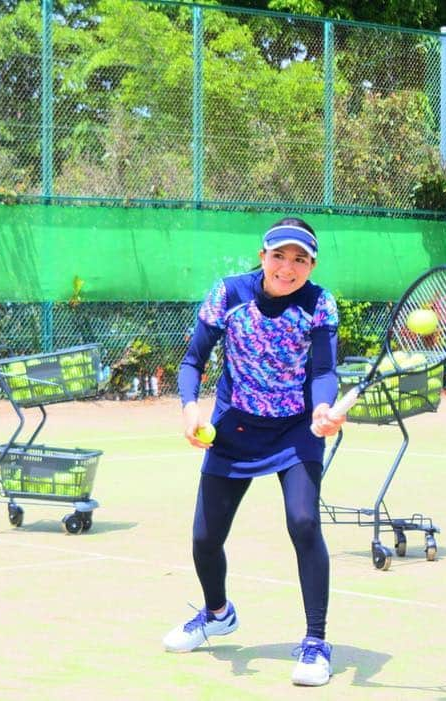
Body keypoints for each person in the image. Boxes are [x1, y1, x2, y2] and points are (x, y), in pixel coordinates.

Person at [162, 218, 344, 687]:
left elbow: (323, 370)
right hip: (234, 427)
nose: (288, 267)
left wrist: (324, 406)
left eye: (300, 259)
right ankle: (218, 614)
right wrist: (190, 409)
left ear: (312, 264)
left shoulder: (319, 303)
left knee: (303, 522)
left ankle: (316, 642)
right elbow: (192, 360)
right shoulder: (229, 294)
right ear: (262, 256)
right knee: (205, 539)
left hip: (296, 430)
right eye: (279, 256)